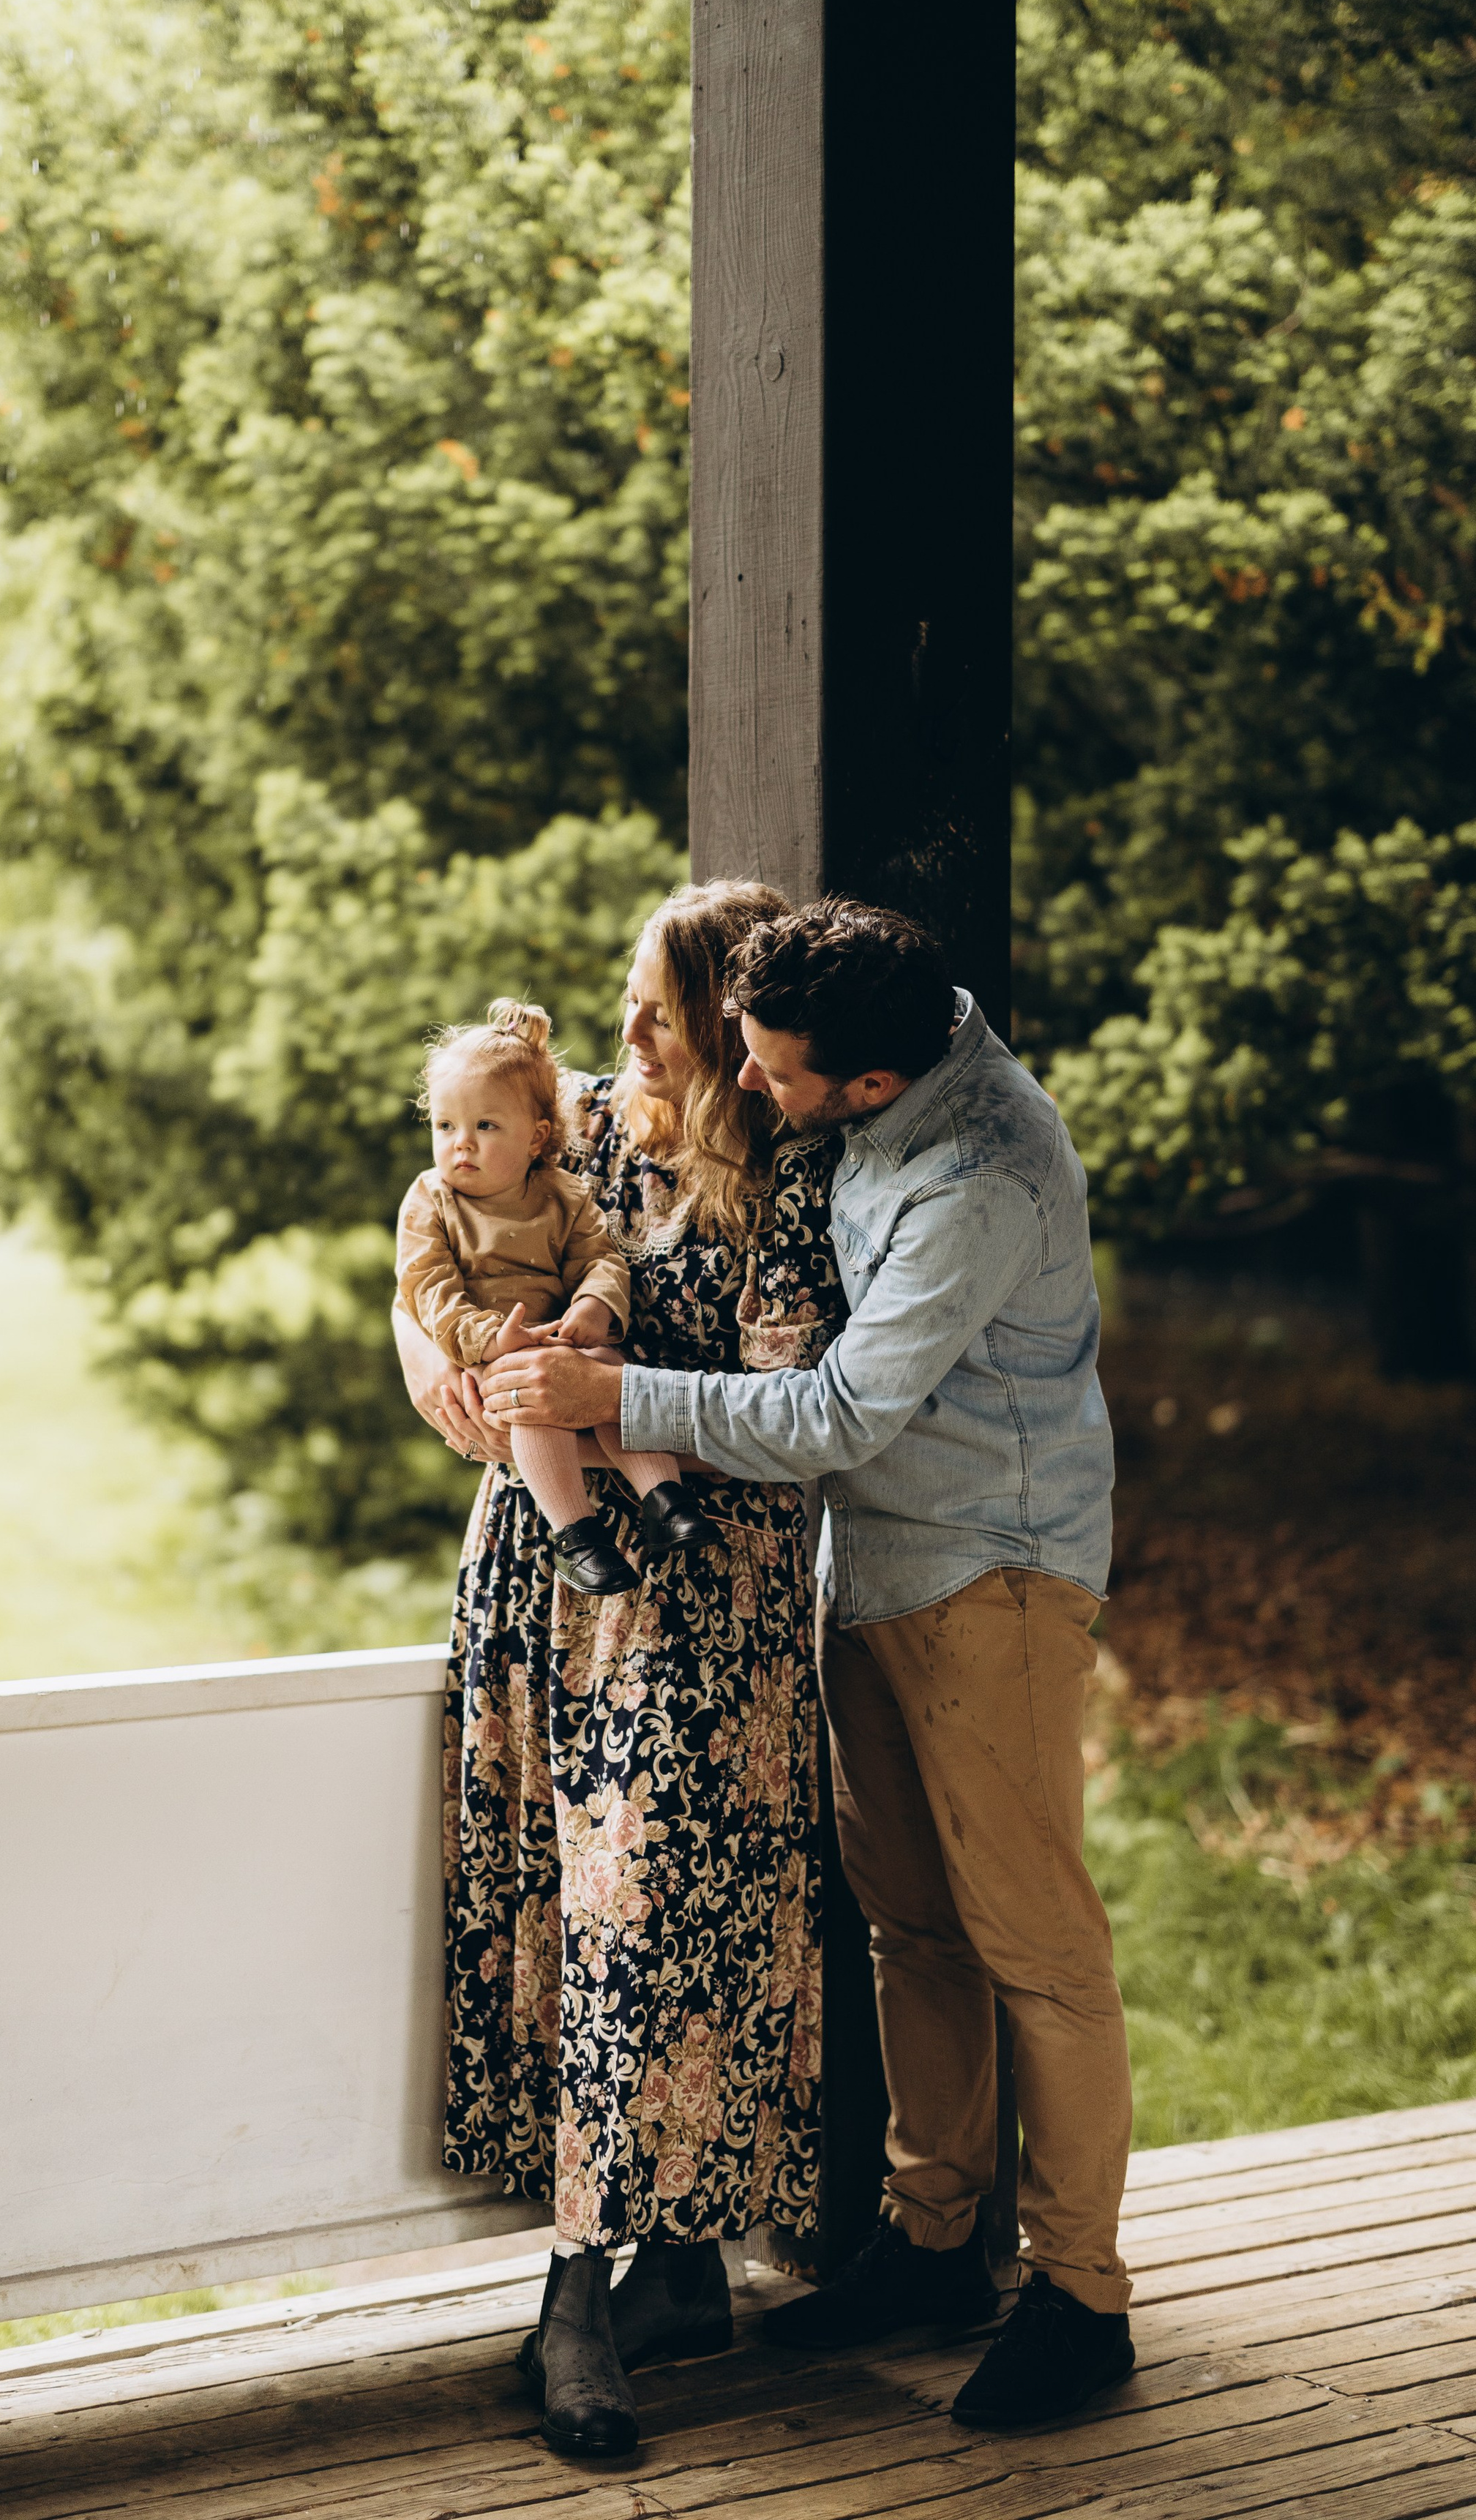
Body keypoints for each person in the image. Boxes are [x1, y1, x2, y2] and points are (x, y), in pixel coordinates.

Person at [480, 898, 1132, 2434]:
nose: (748, 1085)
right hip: (865, 1568)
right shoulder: (884, 1026)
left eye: (772, 1072)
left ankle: (1080, 2297)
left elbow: (836, 1418)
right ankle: (928, 2242)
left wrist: (601, 1388)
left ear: (867, 1092)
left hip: (991, 1577)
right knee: (912, 1923)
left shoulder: (978, 1181)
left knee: (1032, 1940)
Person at [394, 880, 847, 2461]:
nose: (627, 1031)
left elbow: (799, 1417)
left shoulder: (793, 1184)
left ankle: (577, 2298)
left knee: (648, 1910)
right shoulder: (581, 1124)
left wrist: (604, 1383)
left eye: (656, 1006)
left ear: (731, 1025)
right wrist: (437, 1371)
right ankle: (665, 2273)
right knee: (550, 1906)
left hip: (701, 1590)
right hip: (539, 1564)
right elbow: (426, 1224)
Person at [395, 997, 723, 1596]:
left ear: (536, 1136)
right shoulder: (430, 1201)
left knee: (616, 1379)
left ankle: (663, 1498)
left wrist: (594, 1309)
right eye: (445, 1126)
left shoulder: (564, 1194)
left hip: (560, 1342)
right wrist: (489, 1339)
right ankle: (575, 1535)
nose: (459, 1145)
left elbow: (600, 1260)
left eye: (484, 1127)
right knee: (534, 1402)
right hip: (494, 1354)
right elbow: (427, 1288)